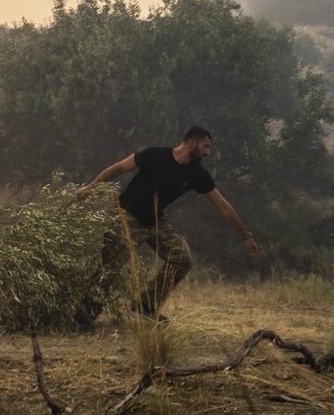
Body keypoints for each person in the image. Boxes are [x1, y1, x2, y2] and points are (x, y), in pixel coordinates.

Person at [77, 126, 260, 320]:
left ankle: (144, 307)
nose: (208, 153)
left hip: (156, 222)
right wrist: (90, 188)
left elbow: (222, 205)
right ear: (192, 143)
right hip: (126, 216)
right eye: (206, 147)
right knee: (110, 269)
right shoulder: (154, 155)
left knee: (182, 260)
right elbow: (119, 168)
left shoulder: (197, 173)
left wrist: (245, 235)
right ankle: (81, 318)